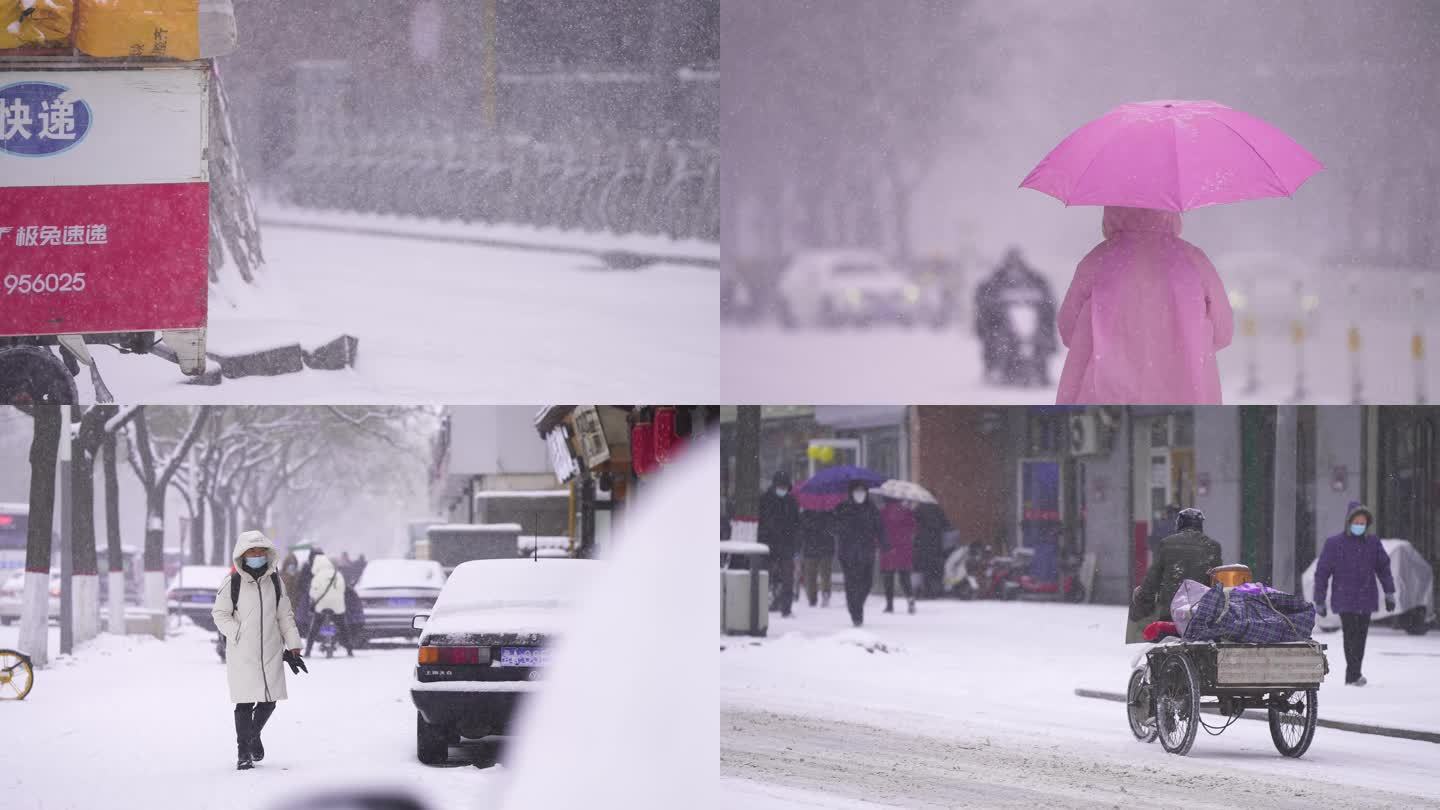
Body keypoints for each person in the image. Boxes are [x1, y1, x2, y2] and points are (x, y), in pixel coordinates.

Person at [1056, 206, 1234, 404]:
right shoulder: (1193, 259)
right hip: (1185, 389)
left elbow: (1068, 327)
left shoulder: (1097, 259)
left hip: (1105, 391)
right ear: (1172, 212)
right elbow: (1224, 331)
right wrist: (1186, 346)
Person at [211, 530, 304, 771]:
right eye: (252, 551)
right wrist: (237, 633)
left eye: (261, 551)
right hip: (243, 652)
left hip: (272, 649)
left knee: (269, 700)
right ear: (242, 554)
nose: (257, 555)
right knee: (244, 702)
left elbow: (285, 614)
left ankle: (253, 735)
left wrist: (293, 645)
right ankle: (244, 752)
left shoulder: (275, 580)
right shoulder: (233, 582)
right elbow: (220, 614)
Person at [1313, 503, 1396, 686]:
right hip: (1345, 598)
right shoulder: (1335, 544)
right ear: (1349, 522)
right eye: (1356, 522)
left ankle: (1354, 673)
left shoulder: (1373, 543)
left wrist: (1390, 592)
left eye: (1363, 522)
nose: (1359, 525)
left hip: (1366, 597)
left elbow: (1384, 568)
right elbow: (1322, 572)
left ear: (1367, 524)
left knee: (1361, 636)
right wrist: (1319, 600)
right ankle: (1353, 674)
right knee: (1350, 635)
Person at [974, 247, 1058, 385]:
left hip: (1031, 322)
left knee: (1044, 337)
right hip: (1002, 323)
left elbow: (1048, 302)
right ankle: (997, 368)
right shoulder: (994, 281)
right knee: (996, 338)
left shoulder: (1035, 279)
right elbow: (984, 302)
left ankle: (1041, 369)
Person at [1130, 508, 1222, 622]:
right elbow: (1217, 582)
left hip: (1171, 614)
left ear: (1179, 524)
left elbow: (1152, 580)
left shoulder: (1167, 544)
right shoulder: (1213, 546)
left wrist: (1143, 608)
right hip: (1201, 614)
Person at [833, 481, 886, 627]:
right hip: (847, 551)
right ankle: (856, 614)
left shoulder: (871, 508)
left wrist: (884, 543)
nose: (860, 494)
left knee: (867, 583)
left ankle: (857, 605)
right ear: (851, 492)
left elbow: (879, 527)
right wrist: (840, 525)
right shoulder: (843, 508)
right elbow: (833, 527)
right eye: (857, 491)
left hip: (867, 551)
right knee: (851, 584)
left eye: (862, 491)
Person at [757, 471, 801, 617]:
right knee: (767, 578)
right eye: (780, 486)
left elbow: (797, 524)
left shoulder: (792, 502)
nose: (782, 489)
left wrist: (795, 543)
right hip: (767, 546)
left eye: (785, 487)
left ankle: (786, 608)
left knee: (787, 579)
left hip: (786, 546)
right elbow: (762, 523)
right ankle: (767, 603)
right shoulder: (765, 500)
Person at [304, 549, 355, 657]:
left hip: (322, 605)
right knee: (342, 626)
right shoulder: (337, 574)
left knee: (314, 627)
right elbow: (342, 589)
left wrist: (315, 600)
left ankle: (308, 650)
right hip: (337, 605)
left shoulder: (317, 576)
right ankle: (349, 649)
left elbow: (313, 592)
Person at [879, 498, 918, 614]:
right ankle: (910, 598)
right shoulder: (907, 512)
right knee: (904, 576)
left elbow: (878, 530)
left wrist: (878, 543)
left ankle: (889, 605)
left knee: (888, 577)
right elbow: (914, 528)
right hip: (904, 548)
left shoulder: (882, 513)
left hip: (888, 548)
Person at [912, 502, 951, 599]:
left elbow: (913, 523)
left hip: (922, 542)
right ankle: (933, 591)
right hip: (935, 543)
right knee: (933, 568)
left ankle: (921, 590)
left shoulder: (918, 509)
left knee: (922, 567)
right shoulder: (938, 509)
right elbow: (946, 524)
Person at [800, 508, 835, 607]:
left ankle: (813, 598)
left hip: (812, 547)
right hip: (823, 546)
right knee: (823, 574)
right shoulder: (829, 512)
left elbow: (802, 530)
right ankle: (823, 595)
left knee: (812, 575)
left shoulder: (806, 514)